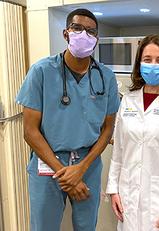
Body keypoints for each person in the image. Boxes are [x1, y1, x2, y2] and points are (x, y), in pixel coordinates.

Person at [16, 8, 120, 231]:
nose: (84, 34)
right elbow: (30, 131)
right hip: (47, 163)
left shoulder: (106, 77)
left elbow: (108, 129)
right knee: (44, 227)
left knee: (86, 226)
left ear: (96, 40)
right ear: (66, 34)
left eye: (91, 32)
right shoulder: (41, 71)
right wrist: (65, 173)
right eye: (77, 28)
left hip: (88, 163)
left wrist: (80, 169)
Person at [106, 34, 159, 231]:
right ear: (139, 64)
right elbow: (119, 151)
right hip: (127, 197)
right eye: (147, 60)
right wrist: (113, 190)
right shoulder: (128, 100)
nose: (153, 65)